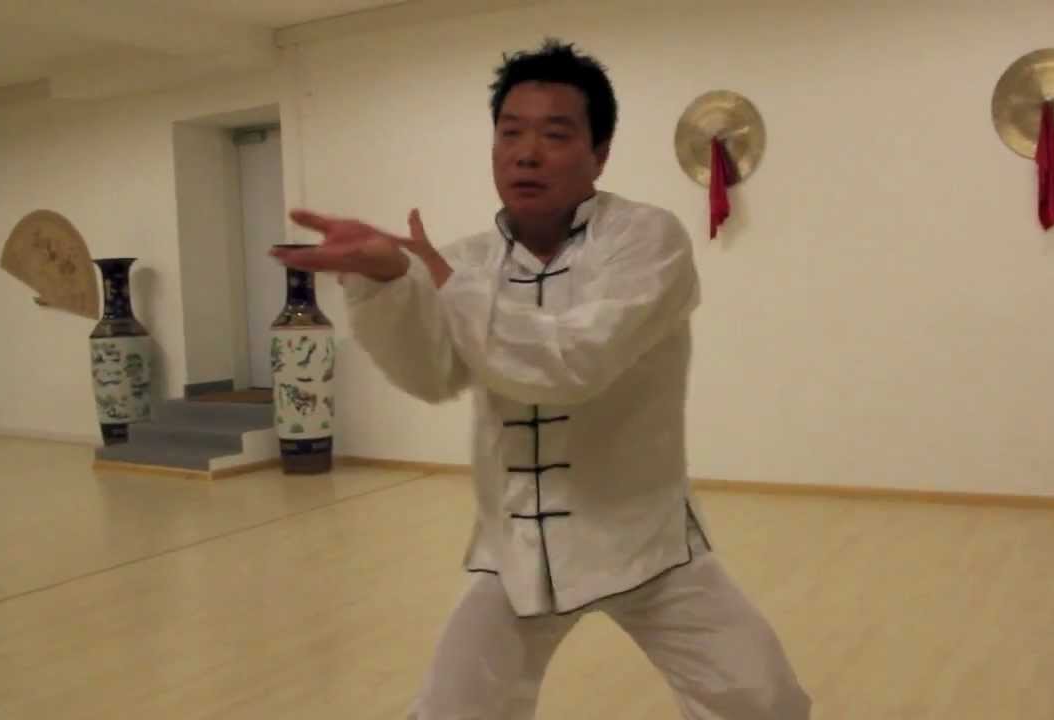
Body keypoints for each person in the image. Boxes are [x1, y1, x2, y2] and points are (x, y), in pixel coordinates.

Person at [272, 38, 811, 720]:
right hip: (517, 545)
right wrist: (383, 282)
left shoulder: (648, 241)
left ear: (600, 153)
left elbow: (573, 363)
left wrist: (441, 282)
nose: (526, 153)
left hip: (645, 539)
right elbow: (434, 372)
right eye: (510, 133)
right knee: (451, 712)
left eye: (555, 134)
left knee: (761, 700)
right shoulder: (466, 260)